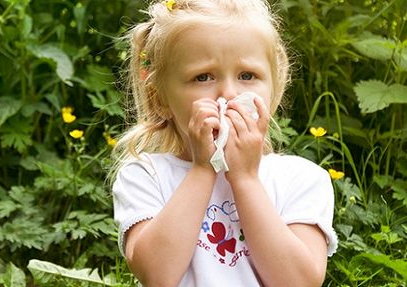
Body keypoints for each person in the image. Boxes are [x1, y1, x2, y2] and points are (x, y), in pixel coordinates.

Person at [111, 0, 338, 286]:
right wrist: (202, 169)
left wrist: (245, 179)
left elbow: (299, 282)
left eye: (247, 75)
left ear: (274, 88)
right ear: (160, 100)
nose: (228, 93)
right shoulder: (146, 176)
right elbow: (158, 276)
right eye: (202, 77)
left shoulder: (300, 179)